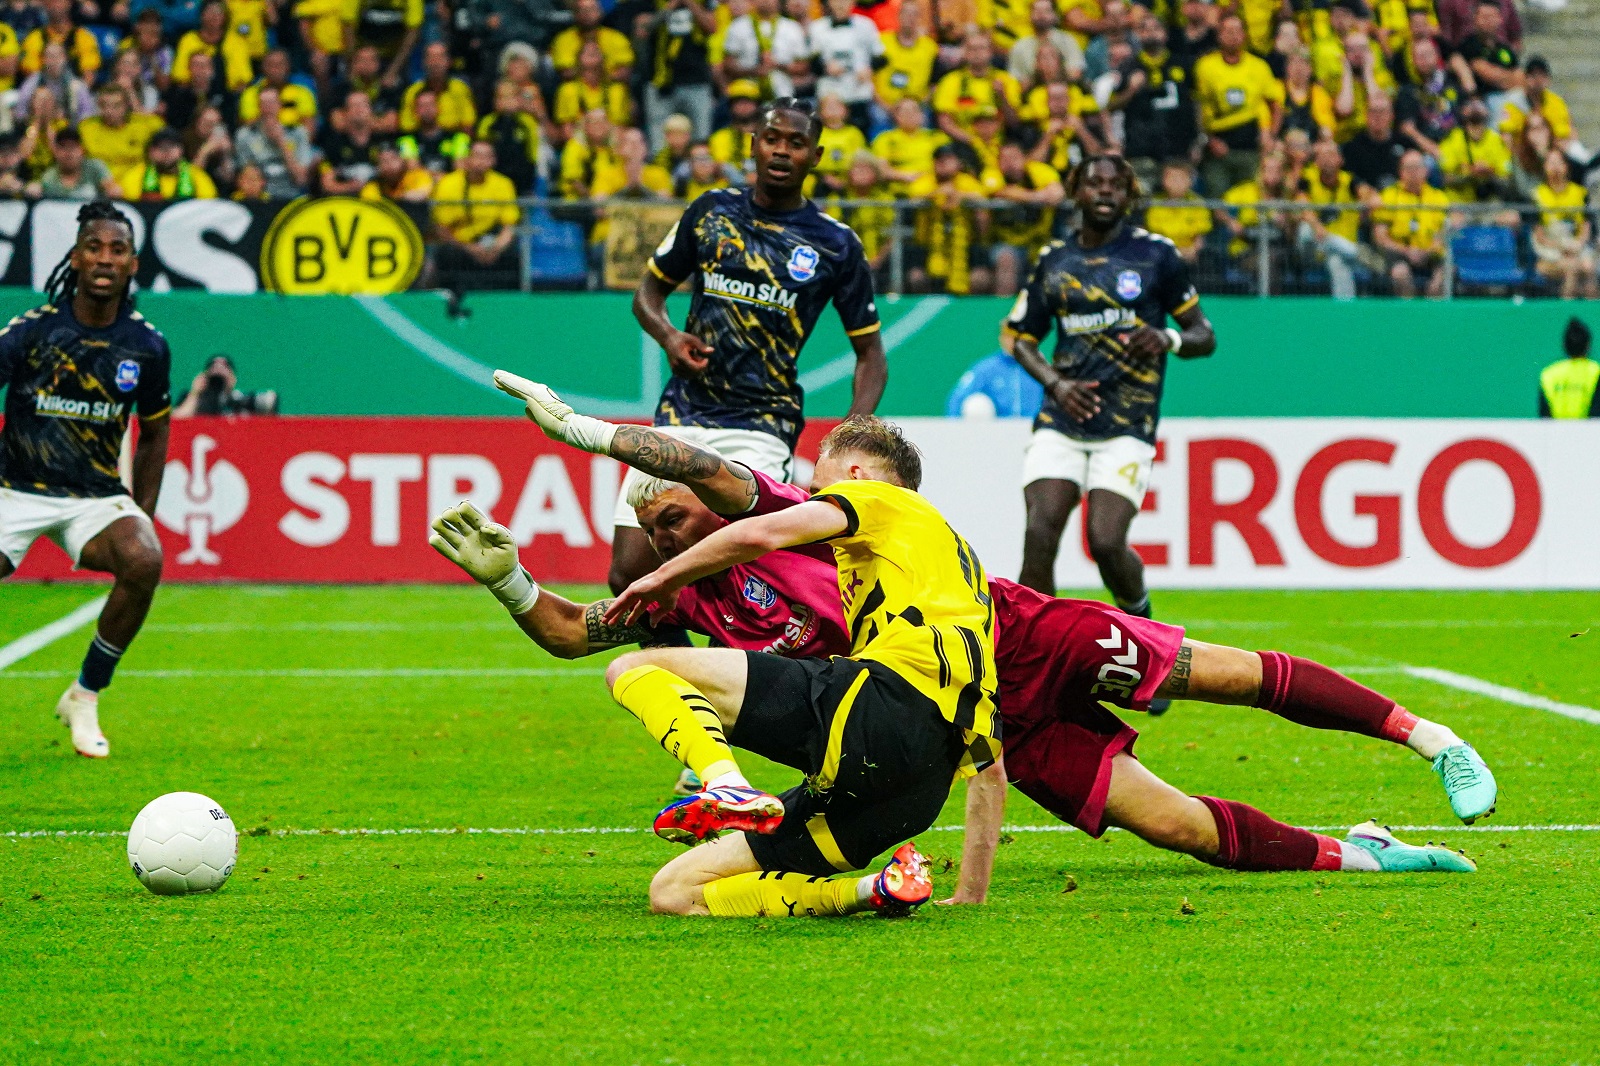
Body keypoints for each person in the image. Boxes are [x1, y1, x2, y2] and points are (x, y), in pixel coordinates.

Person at [445, 379, 1495, 900]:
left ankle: (1424, 733)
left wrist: (584, 430)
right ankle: (1357, 851)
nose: (662, 532)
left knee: (1217, 673)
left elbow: (702, 470)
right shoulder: (697, 609)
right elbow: (580, 633)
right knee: (1171, 826)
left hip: (1019, 634)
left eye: (674, 516)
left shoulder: (789, 507)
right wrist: (507, 578)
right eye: (653, 524)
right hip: (955, 710)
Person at [619, 97, 887, 602]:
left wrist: (852, 433)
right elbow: (647, 295)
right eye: (772, 139)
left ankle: (736, 679)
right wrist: (670, 336)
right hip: (682, 412)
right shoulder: (710, 211)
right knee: (629, 573)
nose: (782, 151)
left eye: (796, 142)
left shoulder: (836, 244)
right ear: (754, 146)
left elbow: (871, 355)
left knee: (749, 581)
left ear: (816, 155)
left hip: (761, 425)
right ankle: (677, 681)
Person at [1006, 154, 1215, 658]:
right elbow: (1022, 339)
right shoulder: (1054, 259)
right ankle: (1030, 656)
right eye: (1094, 183)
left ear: (1129, 195)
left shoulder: (1157, 256)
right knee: (1040, 530)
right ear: (1077, 191)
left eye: (1115, 185)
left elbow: (1203, 335)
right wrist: (1055, 384)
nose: (1104, 192)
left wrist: (1166, 338)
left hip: (1127, 422)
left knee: (1104, 541)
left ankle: (1145, 634)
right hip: (1062, 416)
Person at [0, 202, 171, 760]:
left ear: (133, 264)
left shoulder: (147, 347)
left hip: (95, 498)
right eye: (93, 248)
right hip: (15, 490)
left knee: (145, 559)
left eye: (116, 249)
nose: (104, 258)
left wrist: (140, 510)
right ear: (75, 258)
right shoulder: (31, 332)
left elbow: (154, 433)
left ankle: (86, 693)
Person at [1192, 12, 1283, 196]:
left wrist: (1271, 136)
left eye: (1238, 30)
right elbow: (1198, 107)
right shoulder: (1205, 66)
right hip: (1218, 145)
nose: (1233, 35)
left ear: (1245, 35)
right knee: (1217, 195)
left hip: (1251, 147)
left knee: (1251, 198)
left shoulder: (1259, 67)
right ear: (1219, 35)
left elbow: (1275, 104)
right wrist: (1208, 139)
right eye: (1228, 30)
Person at [429, 138, 520, 291]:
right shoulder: (448, 184)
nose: (481, 161)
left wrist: (496, 248)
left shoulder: (504, 184)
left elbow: (509, 226)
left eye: (487, 156)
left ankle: (506, 302)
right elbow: (441, 229)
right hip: (460, 245)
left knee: (513, 254)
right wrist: (471, 248)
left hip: (491, 244)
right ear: (467, 159)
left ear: (493, 160)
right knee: (447, 253)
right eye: (477, 156)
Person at [1371, 149, 1449, 298]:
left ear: (1425, 171)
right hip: (1399, 252)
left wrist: (1429, 250)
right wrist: (1406, 250)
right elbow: (1380, 236)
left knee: (1444, 273)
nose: (1413, 172)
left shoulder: (1439, 197)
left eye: (1417, 167)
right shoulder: (1388, 196)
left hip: (1430, 252)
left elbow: (1444, 233)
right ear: (1400, 172)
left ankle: (1434, 315)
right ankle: (1408, 315)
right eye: (1409, 168)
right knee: (1400, 273)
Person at [1530, 154, 1596, 302]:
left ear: (1566, 167)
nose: (1555, 167)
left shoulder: (1580, 193)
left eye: (1559, 163)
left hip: (1576, 246)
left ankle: (1593, 310)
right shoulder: (1537, 195)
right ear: (1544, 167)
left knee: (1589, 266)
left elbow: (1586, 226)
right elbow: (1539, 236)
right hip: (1550, 250)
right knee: (1571, 267)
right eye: (1551, 163)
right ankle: (1567, 307)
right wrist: (1562, 247)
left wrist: (1577, 245)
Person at [233, 86, 314, 199]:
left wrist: (281, 143)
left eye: (272, 103)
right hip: (259, 198)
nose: (268, 108)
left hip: (291, 195)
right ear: (258, 107)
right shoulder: (245, 135)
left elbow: (301, 179)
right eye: (264, 104)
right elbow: (244, 178)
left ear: (279, 105)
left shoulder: (298, 133)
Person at [78, 84, 164, 175]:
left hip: (136, 181)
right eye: (104, 105)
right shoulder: (86, 127)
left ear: (127, 106)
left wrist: (138, 108)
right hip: (99, 182)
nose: (109, 111)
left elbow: (169, 139)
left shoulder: (146, 124)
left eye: (116, 106)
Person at [120, 125, 218, 199]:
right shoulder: (136, 174)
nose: (166, 152)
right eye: (160, 147)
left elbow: (209, 203)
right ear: (150, 152)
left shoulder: (196, 175)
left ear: (181, 150)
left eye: (172, 146)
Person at [172, 354, 278, 417]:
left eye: (225, 368)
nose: (218, 371)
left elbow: (270, 403)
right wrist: (195, 393)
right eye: (213, 368)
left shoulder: (239, 401)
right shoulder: (192, 398)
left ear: (233, 378)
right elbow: (176, 421)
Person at [33, 124, 117, 198]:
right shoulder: (49, 178)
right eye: (63, 147)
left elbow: (113, 190)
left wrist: (112, 190)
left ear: (82, 150)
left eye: (73, 146)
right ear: (56, 152)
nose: (68, 152)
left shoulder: (96, 168)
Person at [1538, 318, 1599, 418]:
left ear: (1564, 345)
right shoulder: (1596, 371)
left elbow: (1544, 417)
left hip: (1555, 433)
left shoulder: (1548, 373)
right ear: (1588, 346)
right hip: (1590, 433)